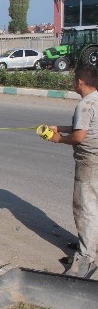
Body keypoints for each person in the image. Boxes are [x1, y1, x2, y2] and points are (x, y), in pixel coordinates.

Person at [50, 65, 98, 278]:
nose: (72, 83)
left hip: (89, 163)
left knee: (85, 208)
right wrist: (59, 128)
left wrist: (57, 139)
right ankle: (91, 244)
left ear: (80, 82)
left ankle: (86, 255)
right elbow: (84, 128)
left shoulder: (85, 105)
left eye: (74, 80)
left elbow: (80, 137)